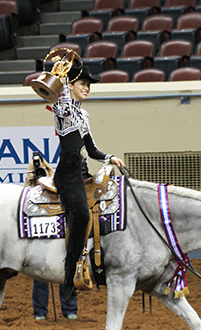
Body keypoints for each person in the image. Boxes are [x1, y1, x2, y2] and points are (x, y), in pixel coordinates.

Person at [49, 66, 125, 299]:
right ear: (70, 85)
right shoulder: (61, 107)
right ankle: (70, 274)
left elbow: (90, 148)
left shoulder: (83, 114)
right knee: (81, 215)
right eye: (82, 83)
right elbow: (59, 96)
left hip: (82, 171)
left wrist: (109, 157)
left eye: (89, 85)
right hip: (67, 172)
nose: (87, 88)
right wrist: (60, 77)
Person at [24, 153, 78, 320]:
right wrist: (29, 182)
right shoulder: (29, 189)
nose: (41, 173)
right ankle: (40, 311)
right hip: (38, 236)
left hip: (59, 233)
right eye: (37, 171)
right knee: (40, 275)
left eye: (44, 169)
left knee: (65, 269)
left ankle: (70, 309)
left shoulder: (57, 184)